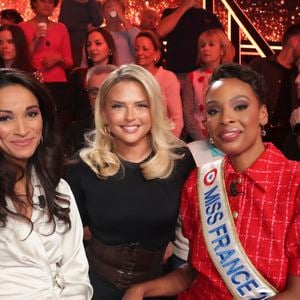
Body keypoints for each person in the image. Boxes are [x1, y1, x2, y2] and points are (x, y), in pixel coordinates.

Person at [122, 63, 300, 300]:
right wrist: (142, 289)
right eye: (214, 111)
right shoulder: (199, 182)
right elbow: (198, 272)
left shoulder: (294, 183)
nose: (226, 118)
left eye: (240, 106)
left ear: (263, 114)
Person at [65, 64, 195, 299]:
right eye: (118, 106)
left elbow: (197, 235)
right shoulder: (83, 167)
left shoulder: (180, 161)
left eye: (141, 105)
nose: (130, 117)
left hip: (158, 287)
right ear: (103, 112)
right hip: (94, 286)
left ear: (154, 109)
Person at [0, 68, 92, 299]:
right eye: (5, 118)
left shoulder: (59, 189)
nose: (23, 130)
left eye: (31, 114)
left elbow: (76, 273)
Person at [19, 0, 73, 127]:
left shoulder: (61, 28)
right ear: (34, 4)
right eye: (43, 1)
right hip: (33, 83)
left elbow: (70, 62)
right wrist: (35, 39)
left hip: (58, 84)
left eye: (51, 2)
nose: (47, 5)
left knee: (57, 123)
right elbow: (21, 60)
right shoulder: (22, 27)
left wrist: (58, 59)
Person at [249, 24, 300, 151]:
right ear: (294, 41)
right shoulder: (260, 66)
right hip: (259, 139)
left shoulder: (298, 73)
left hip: (288, 142)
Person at [183, 28, 235, 141]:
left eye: (211, 45)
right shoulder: (192, 77)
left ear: (222, 50)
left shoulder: (232, 77)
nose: (206, 49)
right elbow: (187, 113)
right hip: (198, 137)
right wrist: (201, 138)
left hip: (227, 136)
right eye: (202, 45)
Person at [156, 0, 223, 86]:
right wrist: (184, 7)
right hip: (178, 75)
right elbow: (160, 32)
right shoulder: (171, 13)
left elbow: (226, 45)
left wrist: (223, 71)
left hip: (205, 75)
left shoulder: (210, 16)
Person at [135, 30, 183, 137]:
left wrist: (169, 145)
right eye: (136, 49)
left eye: (145, 49)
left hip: (163, 141)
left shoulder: (168, 78)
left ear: (157, 54)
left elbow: (176, 118)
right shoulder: (130, 79)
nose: (139, 53)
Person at [64, 64, 117, 159]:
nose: (100, 98)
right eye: (94, 92)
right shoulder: (75, 133)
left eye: (106, 90)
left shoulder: (132, 130)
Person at [70, 27, 117, 121]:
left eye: (98, 43)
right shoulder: (78, 75)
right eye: (88, 45)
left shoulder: (119, 76)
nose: (92, 48)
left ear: (110, 48)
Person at [58, 0, 103, 67]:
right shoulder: (67, 2)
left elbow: (98, 21)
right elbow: (63, 22)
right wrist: (85, 26)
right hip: (73, 44)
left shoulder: (93, 3)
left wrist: (91, 2)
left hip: (89, 43)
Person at [102, 0, 139, 65]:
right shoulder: (98, 33)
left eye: (118, 7)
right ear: (103, 13)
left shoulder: (129, 31)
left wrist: (123, 20)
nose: (113, 9)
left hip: (127, 73)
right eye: (108, 7)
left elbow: (139, 43)